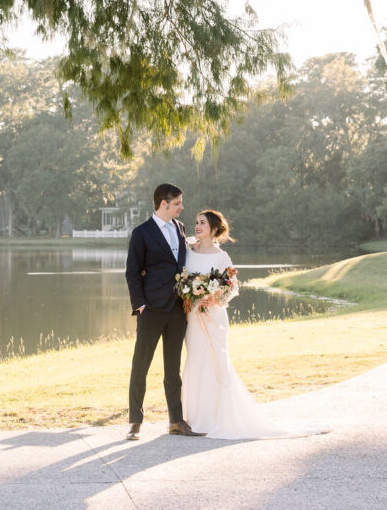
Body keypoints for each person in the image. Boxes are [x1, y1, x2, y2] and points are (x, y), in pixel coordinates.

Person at [182, 209, 325, 440]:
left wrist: (214, 297)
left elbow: (233, 287)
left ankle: (213, 418)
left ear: (214, 229)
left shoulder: (221, 257)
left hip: (214, 316)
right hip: (192, 317)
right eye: (196, 222)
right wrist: (189, 294)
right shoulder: (189, 252)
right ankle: (193, 417)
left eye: (202, 223)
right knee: (195, 359)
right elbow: (183, 278)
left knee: (214, 361)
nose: (197, 226)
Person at [125, 183, 205, 440]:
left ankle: (176, 421)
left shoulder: (180, 229)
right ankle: (135, 422)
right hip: (151, 310)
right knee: (141, 365)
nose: (182, 207)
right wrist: (140, 305)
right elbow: (132, 272)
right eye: (178, 203)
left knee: (173, 369)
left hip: (177, 309)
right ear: (164, 204)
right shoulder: (142, 233)